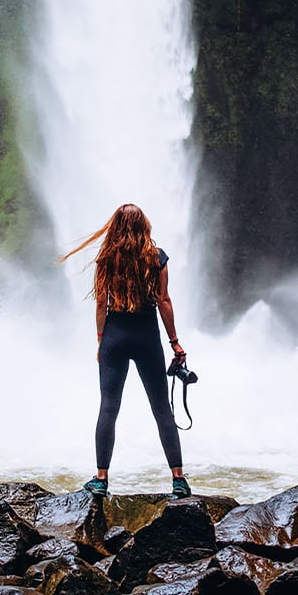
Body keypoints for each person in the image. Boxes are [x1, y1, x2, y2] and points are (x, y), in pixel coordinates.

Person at [59, 203, 190, 498]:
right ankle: (178, 480)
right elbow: (164, 300)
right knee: (161, 410)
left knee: (108, 408)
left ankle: (101, 480)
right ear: (144, 225)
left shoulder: (107, 258)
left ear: (115, 227)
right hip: (147, 339)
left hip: (115, 340)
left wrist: (101, 340)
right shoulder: (156, 258)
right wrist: (174, 342)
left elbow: (100, 303)